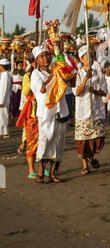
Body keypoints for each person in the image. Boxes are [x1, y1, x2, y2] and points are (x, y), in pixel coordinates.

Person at [30, 46, 69, 183]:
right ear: (37, 60)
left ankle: (52, 173)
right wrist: (54, 74)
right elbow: (41, 90)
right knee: (45, 141)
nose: (45, 58)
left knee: (58, 142)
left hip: (60, 111)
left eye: (47, 55)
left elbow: (67, 81)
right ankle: (40, 171)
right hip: (46, 113)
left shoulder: (57, 68)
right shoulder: (35, 74)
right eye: (42, 56)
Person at [74, 46, 107, 175]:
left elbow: (105, 91)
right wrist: (85, 79)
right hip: (83, 110)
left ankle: (91, 156)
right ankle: (84, 165)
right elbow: (76, 92)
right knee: (83, 140)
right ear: (82, 59)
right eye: (87, 56)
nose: (91, 58)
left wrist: (96, 91)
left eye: (92, 56)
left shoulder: (98, 73)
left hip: (96, 109)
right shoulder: (77, 74)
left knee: (97, 138)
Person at [16, 61, 39, 179]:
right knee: (31, 141)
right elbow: (25, 92)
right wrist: (33, 77)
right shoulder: (27, 76)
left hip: (45, 111)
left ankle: (43, 168)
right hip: (32, 112)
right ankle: (31, 169)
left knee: (44, 141)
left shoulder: (47, 73)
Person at [0, 58, 12, 139]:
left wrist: (1, 101)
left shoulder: (5, 76)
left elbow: (3, 90)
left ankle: (5, 132)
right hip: (4, 99)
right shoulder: (5, 75)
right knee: (2, 117)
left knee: (3, 116)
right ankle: (2, 132)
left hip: (3, 100)